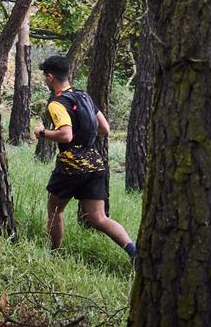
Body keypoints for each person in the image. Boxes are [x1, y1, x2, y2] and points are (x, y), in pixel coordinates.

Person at [33, 54, 136, 263]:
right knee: (99, 218)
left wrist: (42, 133)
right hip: (95, 164)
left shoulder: (57, 103)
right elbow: (105, 129)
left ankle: (53, 254)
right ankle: (134, 251)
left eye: (45, 77)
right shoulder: (84, 96)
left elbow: (65, 134)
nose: (45, 80)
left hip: (71, 165)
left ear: (50, 77)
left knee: (54, 209)